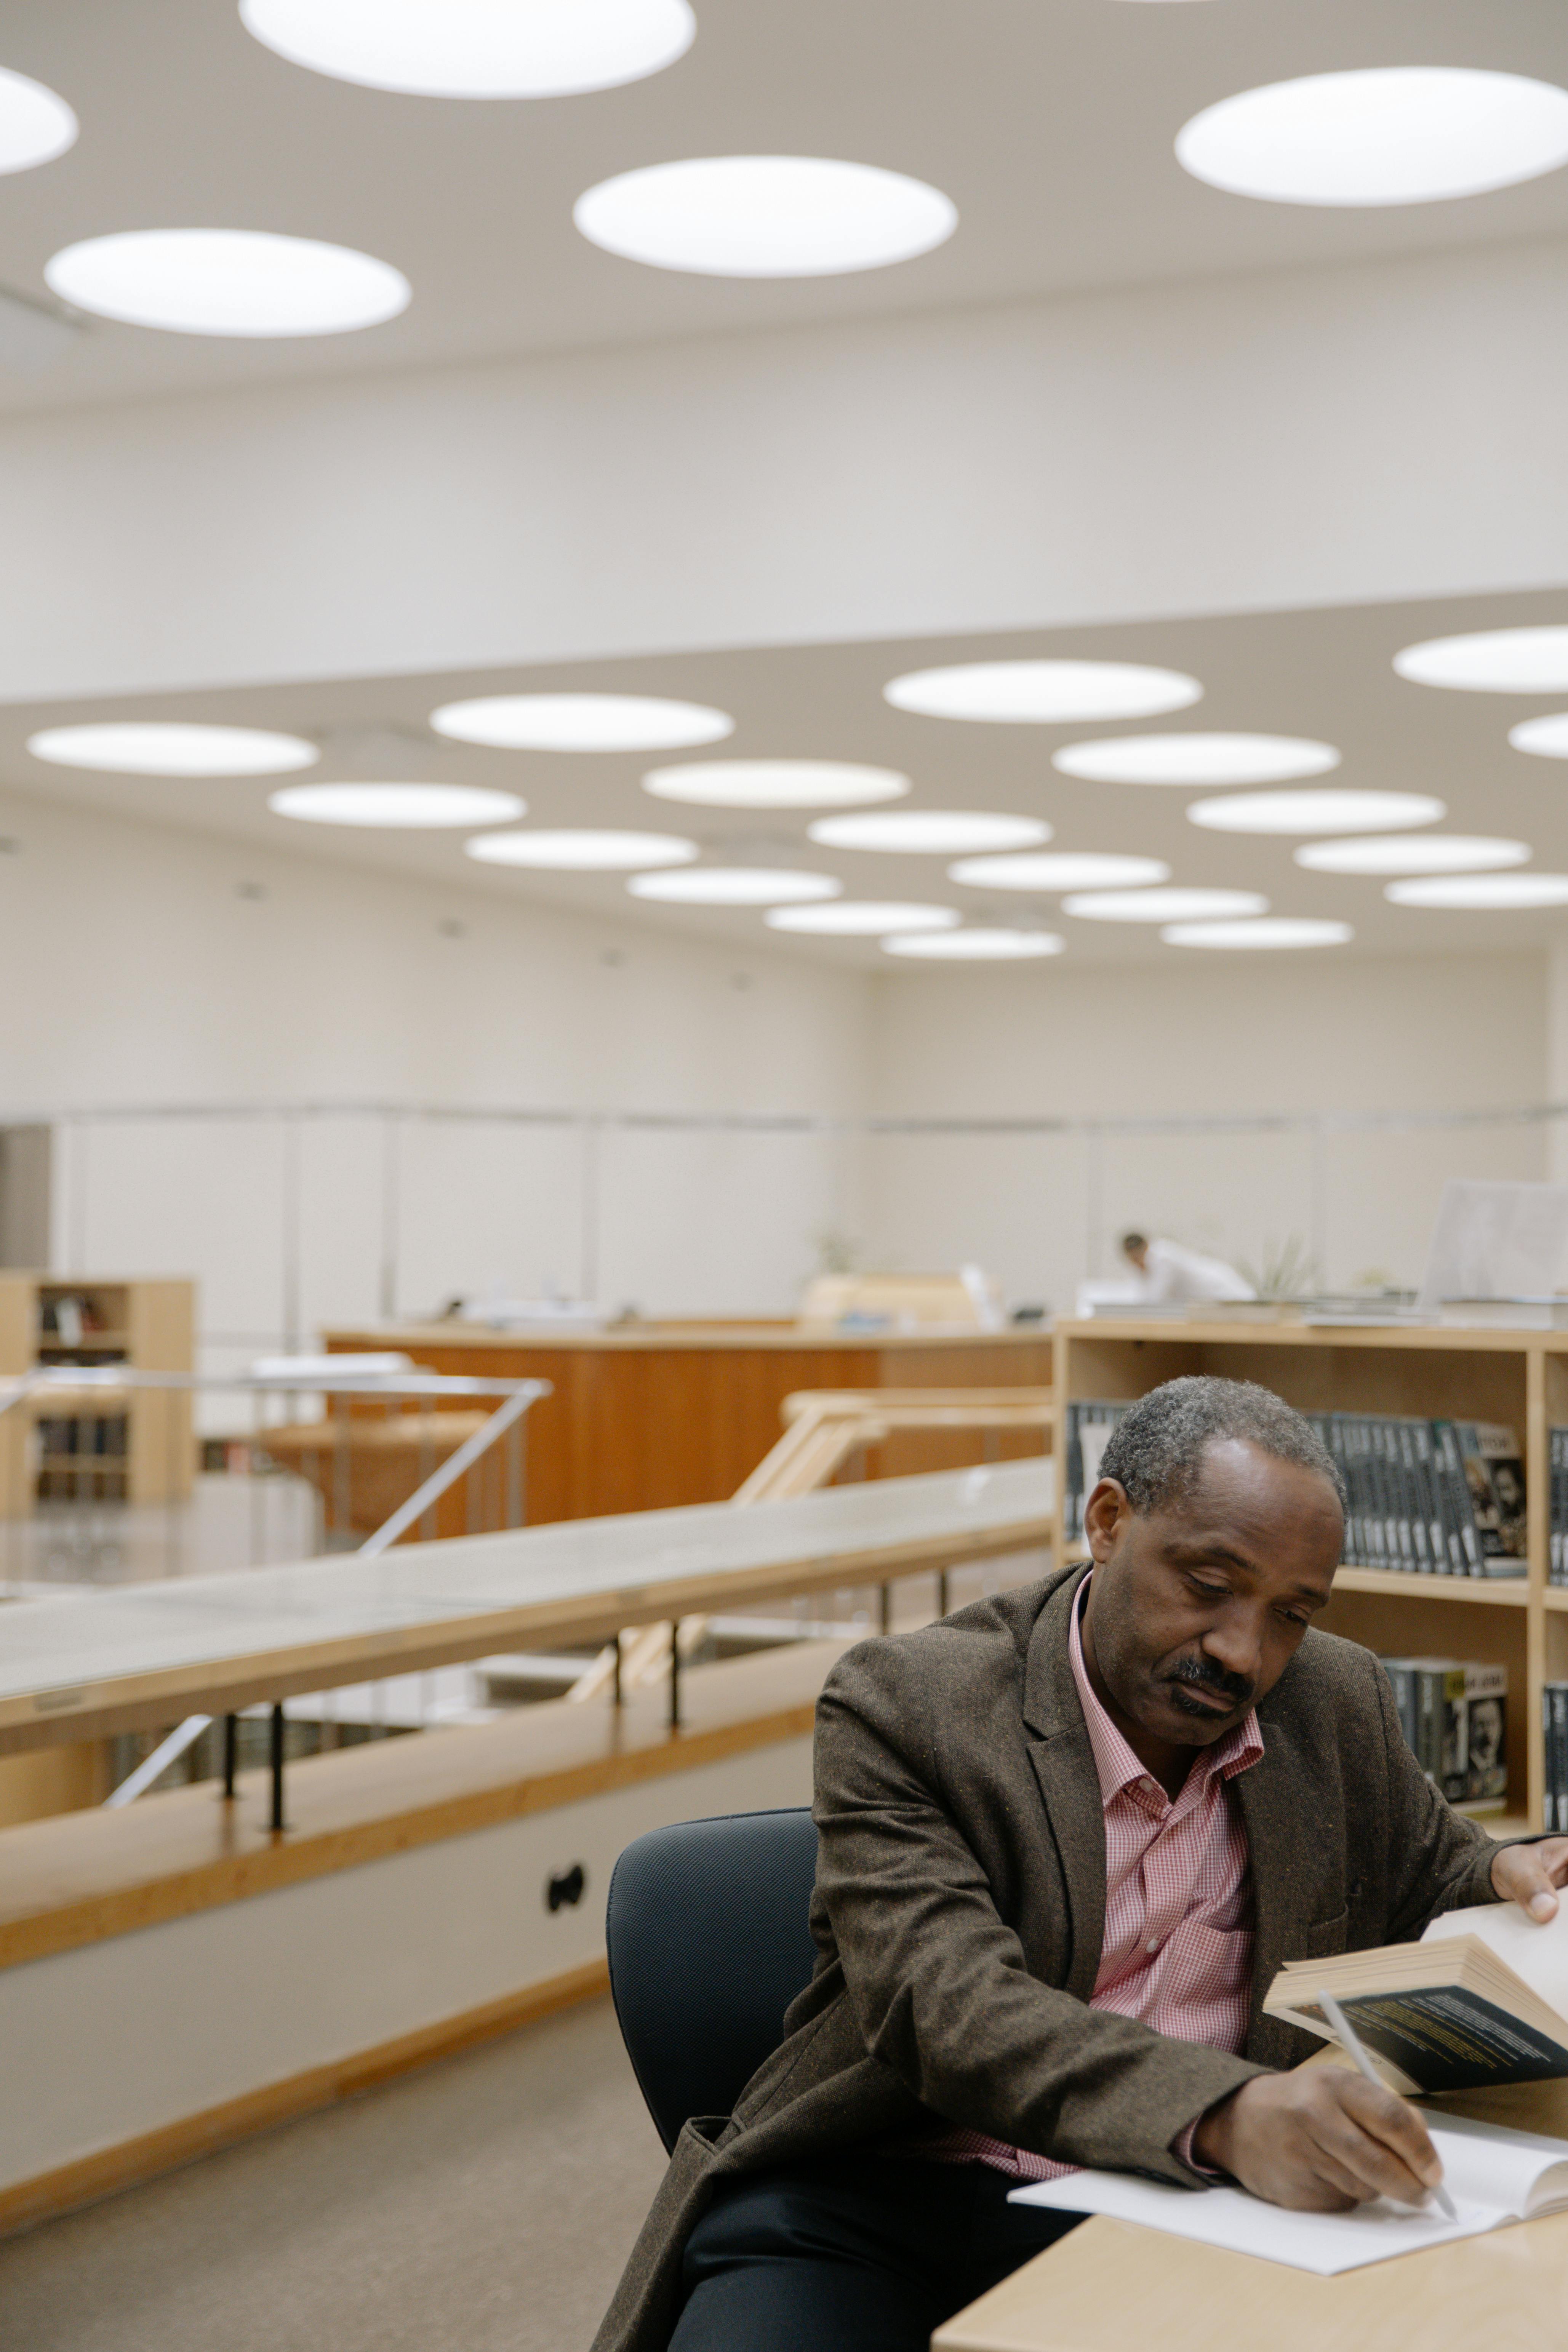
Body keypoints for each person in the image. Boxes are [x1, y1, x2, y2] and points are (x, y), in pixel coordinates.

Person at [594, 1378, 1568, 2352]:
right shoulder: (908, 1705)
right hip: (890, 2194)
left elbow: (1430, 1864)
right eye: (1209, 1584)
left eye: (1290, 1615)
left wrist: (1508, 1874)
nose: (1244, 1652)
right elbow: (952, 2011)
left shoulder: (1331, 1698)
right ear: (1107, 1521)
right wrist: (1227, 2112)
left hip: (1188, 2209)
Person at [1121, 1229, 1255, 1304]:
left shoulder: (1163, 1258)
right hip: (1210, 1305)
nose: (1135, 1263)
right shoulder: (1143, 1266)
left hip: (1226, 1293)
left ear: (1146, 1248)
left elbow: (1155, 1301)